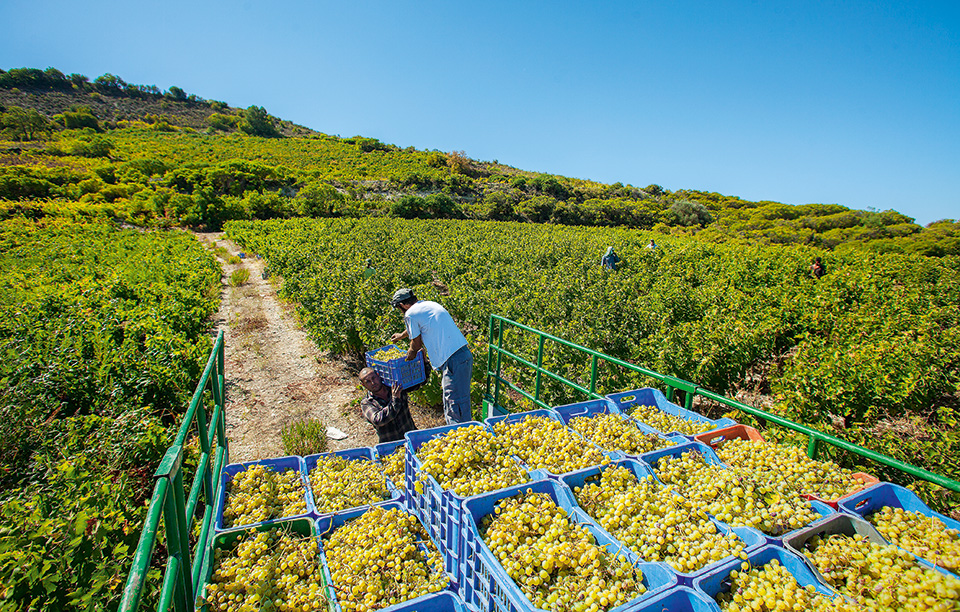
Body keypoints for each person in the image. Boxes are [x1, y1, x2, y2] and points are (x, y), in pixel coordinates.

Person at [389, 288, 473, 424]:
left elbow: (416, 344)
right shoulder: (429, 305)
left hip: (452, 360)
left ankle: (460, 437)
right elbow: (418, 326)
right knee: (460, 399)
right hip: (462, 355)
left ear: (403, 305)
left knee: (454, 403)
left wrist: (409, 355)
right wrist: (401, 336)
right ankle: (465, 433)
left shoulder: (410, 314)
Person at [358, 367, 417, 443]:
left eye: (373, 378)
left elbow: (418, 383)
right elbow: (378, 420)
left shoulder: (395, 387)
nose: (373, 383)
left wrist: (424, 361)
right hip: (391, 446)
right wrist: (395, 400)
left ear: (378, 375)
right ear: (364, 385)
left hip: (412, 438)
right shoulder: (367, 402)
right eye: (368, 382)